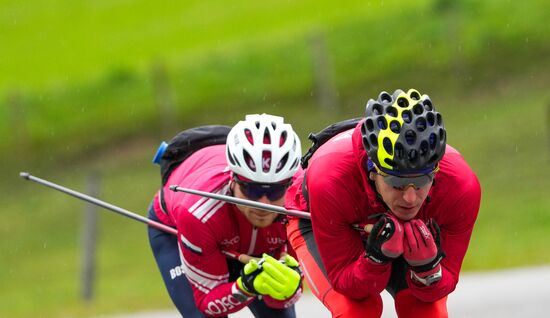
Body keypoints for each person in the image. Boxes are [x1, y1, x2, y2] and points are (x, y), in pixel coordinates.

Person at [285, 89, 481, 317]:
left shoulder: (460, 186)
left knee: (426, 311)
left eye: (421, 182)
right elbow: (347, 284)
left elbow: (444, 281)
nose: (410, 198)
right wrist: (376, 260)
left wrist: (427, 269)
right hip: (319, 217)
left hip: (386, 233)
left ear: (435, 171)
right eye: (396, 183)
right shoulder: (330, 180)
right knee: (357, 310)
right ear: (372, 170)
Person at [148, 114, 304, 317]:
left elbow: (280, 301)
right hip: (181, 228)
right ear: (233, 179)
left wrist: (290, 288)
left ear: (289, 185)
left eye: (275, 192)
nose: (263, 204)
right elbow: (206, 302)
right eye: (252, 190)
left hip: (247, 242)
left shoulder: (301, 202)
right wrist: (246, 287)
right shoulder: (198, 213)